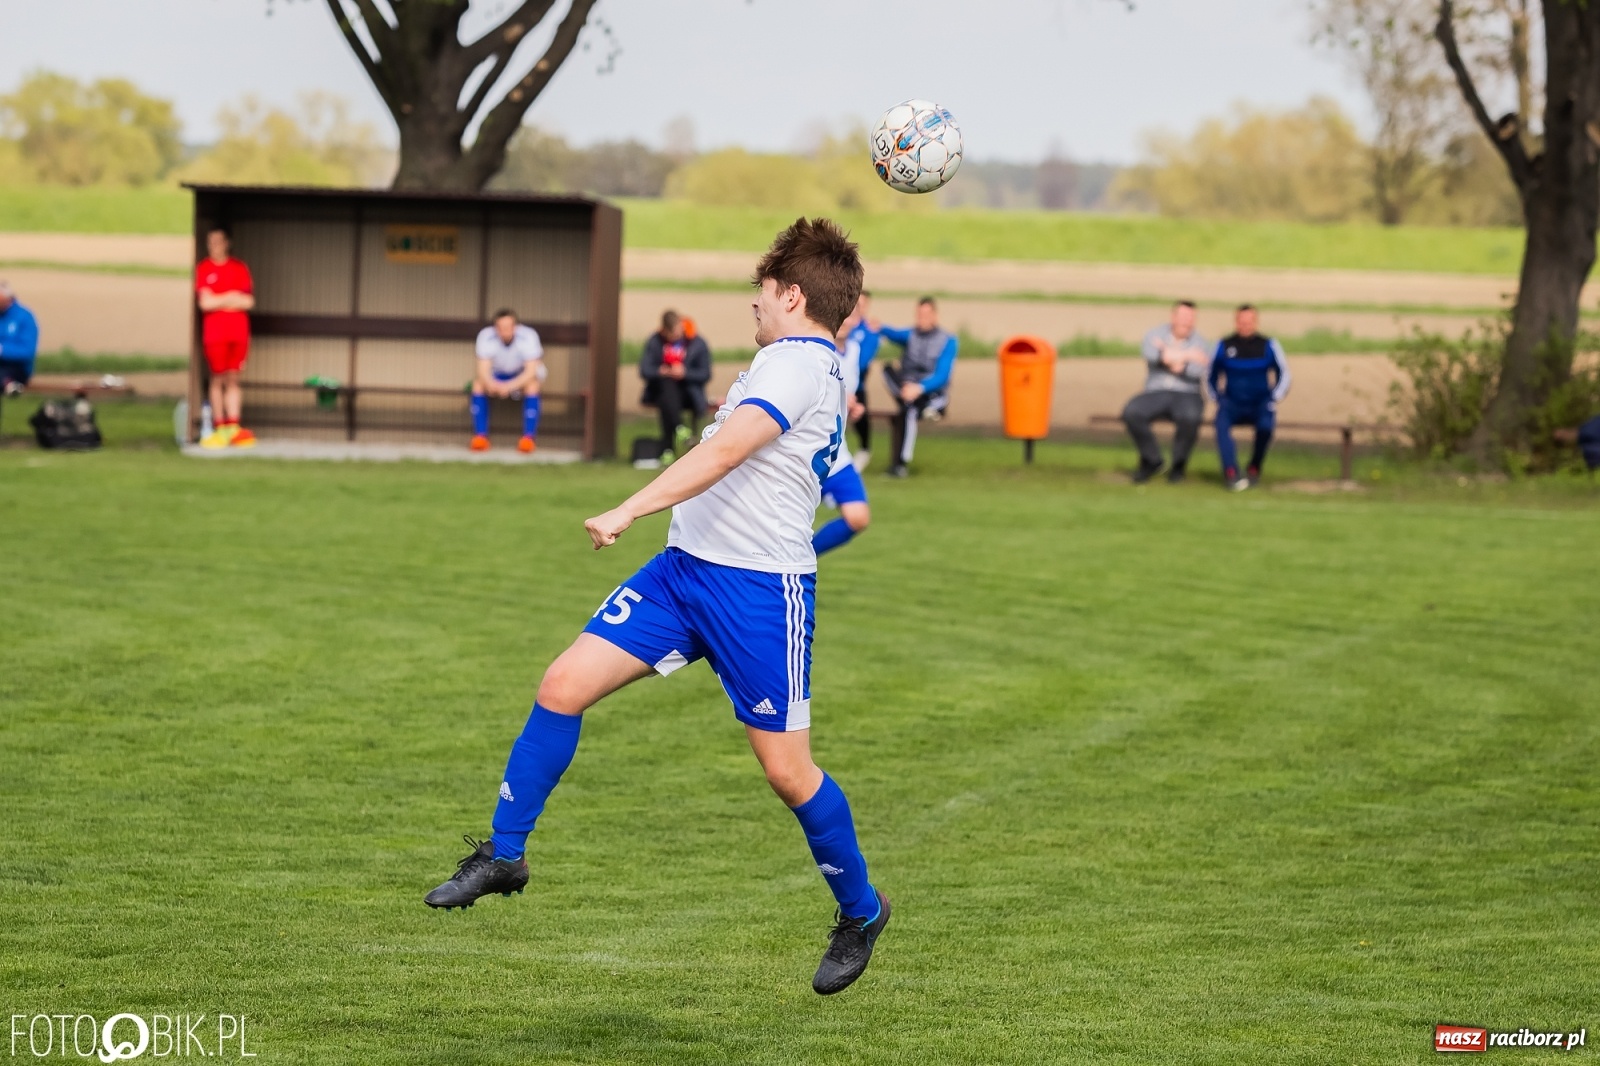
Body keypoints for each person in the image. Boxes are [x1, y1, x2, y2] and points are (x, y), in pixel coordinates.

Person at [423, 217, 891, 997]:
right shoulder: (795, 361)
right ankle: (505, 855)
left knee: (786, 771)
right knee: (561, 685)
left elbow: (721, 452)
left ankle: (861, 910)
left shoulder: (801, 365)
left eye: (763, 292)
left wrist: (625, 508)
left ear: (793, 294)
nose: (754, 304)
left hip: (758, 592)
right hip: (682, 576)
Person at [1121, 300, 1210, 484]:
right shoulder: (1154, 334)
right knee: (1132, 412)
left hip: (1188, 393)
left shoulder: (1202, 342)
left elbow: (1197, 371)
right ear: (1173, 317)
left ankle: (1178, 466)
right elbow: (1153, 356)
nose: (1186, 321)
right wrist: (1187, 355)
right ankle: (1152, 460)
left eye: (1191, 317)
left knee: (1190, 417)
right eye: (1183, 317)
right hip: (1156, 391)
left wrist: (1170, 355)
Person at [1209, 304, 1291, 491]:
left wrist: (1273, 397)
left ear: (1256, 322)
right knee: (1221, 424)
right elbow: (1210, 375)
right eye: (1241, 321)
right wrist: (1217, 397)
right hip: (1232, 402)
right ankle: (1230, 472)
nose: (1245, 325)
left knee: (1265, 427)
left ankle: (1254, 467)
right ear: (1236, 322)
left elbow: (1284, 374)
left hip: (1260, 402)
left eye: (1249, 321)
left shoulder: (1268, 345)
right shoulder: (1224, 345)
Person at [813, 309, 872, 556]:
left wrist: (853, 408)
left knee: (858, 517)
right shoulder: (817, 353)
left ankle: (805, 557)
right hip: (809, 454)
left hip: (837, 452)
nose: (847, 320)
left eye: (853, 314)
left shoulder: (855, 351)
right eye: (843, 313)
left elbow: (847, 397)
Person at [877, 296, 956, 478]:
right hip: (907, 389)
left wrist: (919, 388)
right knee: (888, 370)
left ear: (935, 316)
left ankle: (900, 464)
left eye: (927, 314)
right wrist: (878, 327)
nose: (923, 318)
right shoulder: (911, 335)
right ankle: (918, 406)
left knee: (909, 410)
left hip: (930, 392)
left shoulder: (947, 341)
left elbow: (942, 376)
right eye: (919, 314)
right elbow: (894, 334)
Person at [195, 228, 256, 449]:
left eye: (218, 241)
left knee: (234, 379)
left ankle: (233, 425)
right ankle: (219, 426)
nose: (215, 245)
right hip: (215, 334)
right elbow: (205, 304)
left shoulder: (239, 268)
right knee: (217, 378)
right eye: (210, 242)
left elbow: (248, 302)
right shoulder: (203, 269)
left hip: (238, 332)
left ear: (227, 243)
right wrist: (231, 297)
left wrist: (218, 299)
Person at [639, 309, 712, 459]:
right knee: (667, 387)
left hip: (690, 393)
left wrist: (685, 373)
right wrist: (662, 371)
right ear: (664, 331)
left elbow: (705, 373)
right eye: (673, 334)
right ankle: (679, 429)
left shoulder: (697, 343)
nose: (677, 336)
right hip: (663, 392)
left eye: (679, 331)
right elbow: (645, 369)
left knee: (667, 398)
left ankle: (669, 449)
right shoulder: (655, 342)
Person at [470, 309, 544, 453]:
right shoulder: (486, 336)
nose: (505, 331)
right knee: (478, 385)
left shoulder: (528, 336)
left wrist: (509, 387)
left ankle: (528, 439)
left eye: (508, 327)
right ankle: (481, 437)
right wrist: (491, 384)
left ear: (516, 327)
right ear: (495, 328)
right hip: (497, 376)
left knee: (533, 386)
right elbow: (482, 370)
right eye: (500, 327)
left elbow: (530, 372)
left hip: (520, 377)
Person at [841, 291, 880, 469]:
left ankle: (863, 449)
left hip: (854, 388)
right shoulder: (839, 329)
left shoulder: (865, 334)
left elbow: (861, 364)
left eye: (863, 304)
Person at [0, 281, 40, 396]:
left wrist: (2, 350)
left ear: (7, 298)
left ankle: (9, 384)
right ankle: (8, 385)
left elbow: (27, 351)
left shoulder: (24, 317)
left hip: (17, 368)